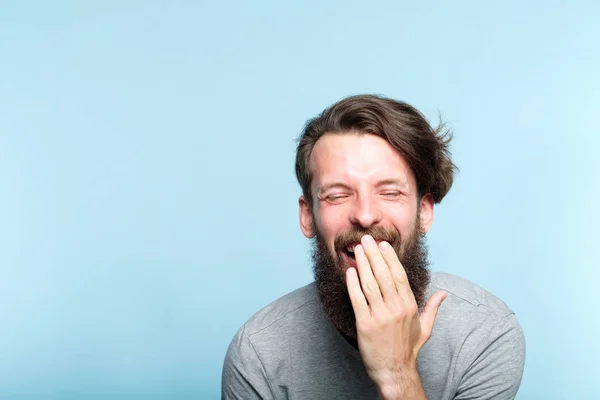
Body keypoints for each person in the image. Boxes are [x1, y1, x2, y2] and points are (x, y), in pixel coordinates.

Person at [221, 95, 526, 399]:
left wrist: (397, 372)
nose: (365, 216)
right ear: (307, 217)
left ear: (424, 212)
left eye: (390, 192)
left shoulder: (484, 333)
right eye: (337, 195)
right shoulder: (258, 354)